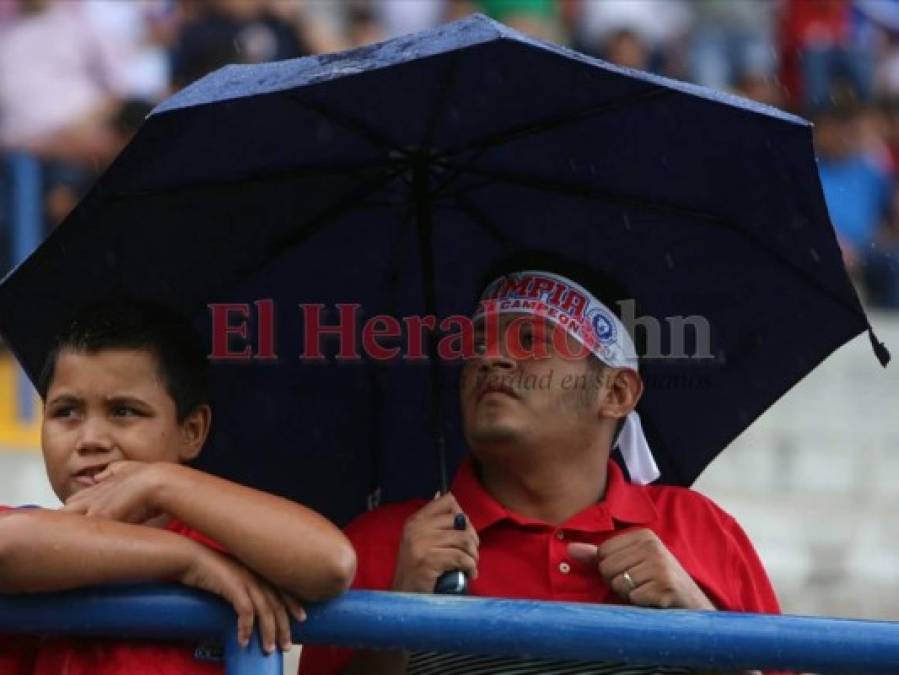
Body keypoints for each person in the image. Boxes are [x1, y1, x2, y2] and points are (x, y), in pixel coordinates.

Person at [299, 254, 781, 674]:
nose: (491, 357)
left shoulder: (704, 532)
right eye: (477, 343)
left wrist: (702, 629)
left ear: (616, 393)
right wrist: (398, 617)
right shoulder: (375, 546)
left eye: (530, 340)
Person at [0, 299, 356, 674]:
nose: (90, 438)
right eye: (65, 412)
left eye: (124, 411)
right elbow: (6, 548)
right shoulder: (37, 539)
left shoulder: (236, 551)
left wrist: (160, 481)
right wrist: (185, 560)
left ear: (192, 431)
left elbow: (331, 564)